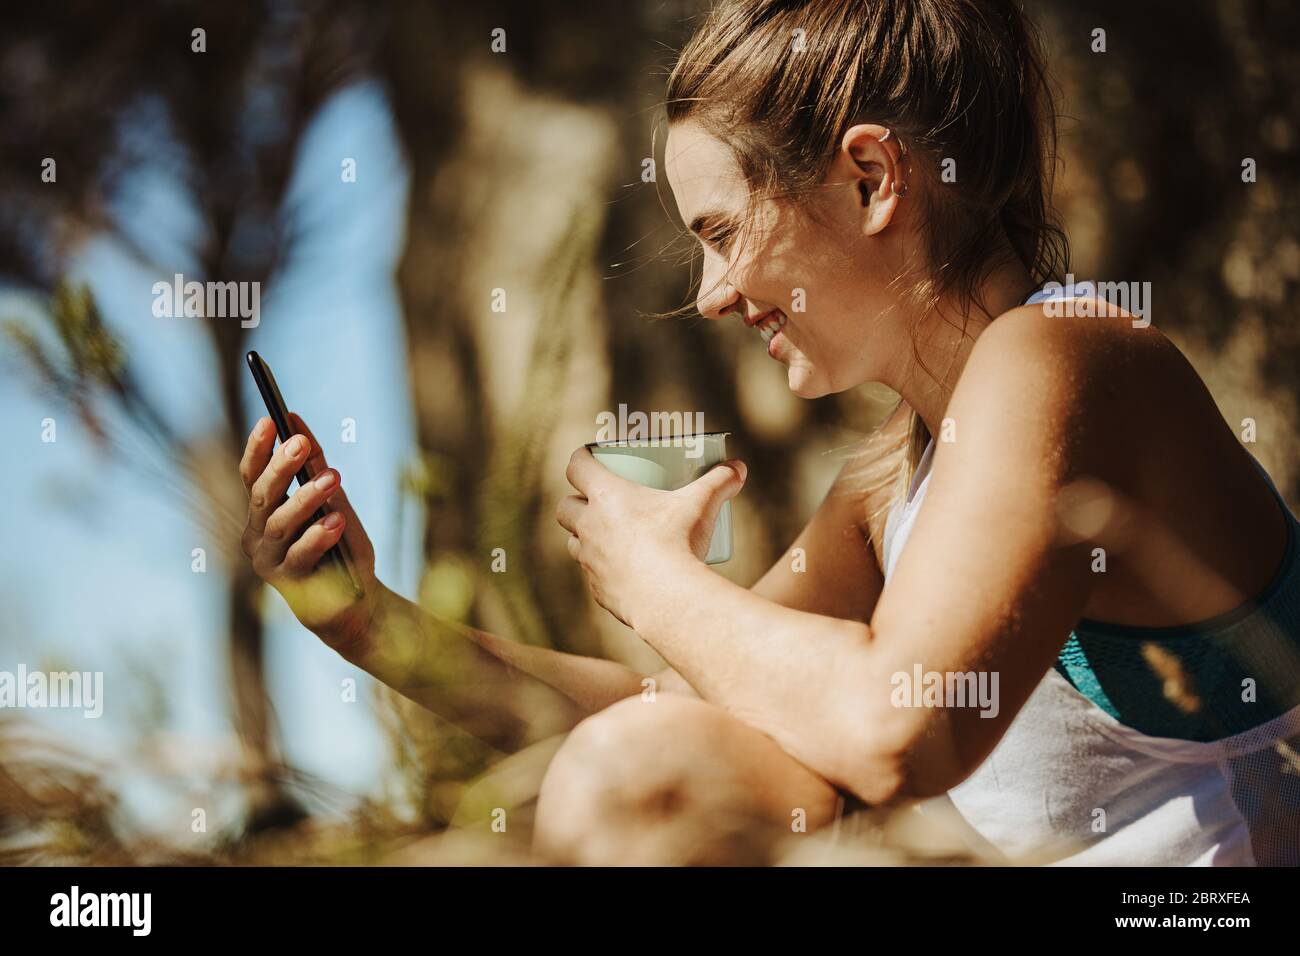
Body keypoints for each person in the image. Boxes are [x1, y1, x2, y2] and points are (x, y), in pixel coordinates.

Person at [238, 0, 1300, 865]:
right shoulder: (896, 469)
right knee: (645, 764)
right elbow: (687, 700)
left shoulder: (1063, 359)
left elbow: (900, 728)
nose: (707, 293)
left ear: (872, 178)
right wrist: (359, 617)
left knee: (643, 778)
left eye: (721, 231)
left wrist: (655, 581)